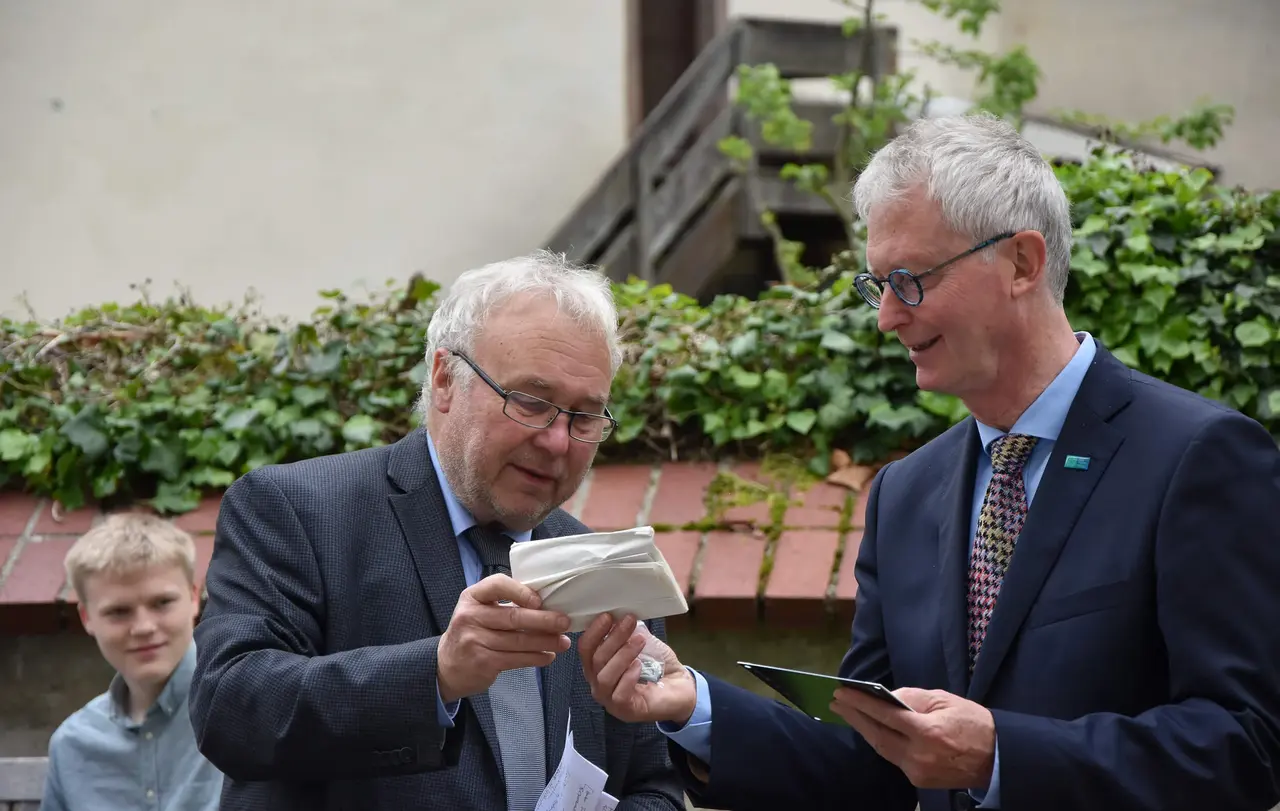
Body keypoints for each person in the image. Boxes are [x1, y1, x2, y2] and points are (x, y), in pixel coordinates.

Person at [580, 113, 1280, 811]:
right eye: (877, 284)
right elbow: (869, 763)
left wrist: (1003, 754)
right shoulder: (906, 494)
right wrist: (691, 704)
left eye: (910, 279)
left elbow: (1247, 743)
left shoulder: (1197, 456)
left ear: (1022, 263)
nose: (887, 316)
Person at [188, 251, 685, 811]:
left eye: (585, 416)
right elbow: (230, 709)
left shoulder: (611, 571)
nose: (557, 441)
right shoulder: (298, 510)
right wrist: (437, 674)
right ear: (446, 380)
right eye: (530, 401)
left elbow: (654, 785)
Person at [42, 512, 224, 811]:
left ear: (194, 598)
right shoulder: (72, 745)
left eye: (162, 603)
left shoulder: (240, 710)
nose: (143, 627)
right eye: (119, 611)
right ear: (87, 618)